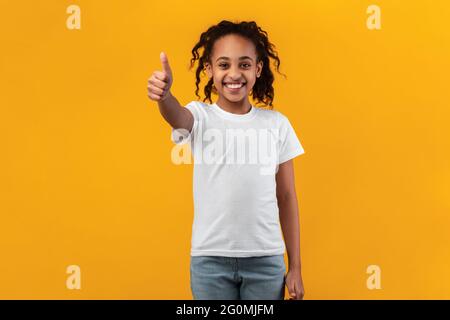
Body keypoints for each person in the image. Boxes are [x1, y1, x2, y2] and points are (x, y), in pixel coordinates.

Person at [147, 20, 305, 300]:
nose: (234, 73)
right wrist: (165, 96)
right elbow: (176, 116)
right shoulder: (200, 117)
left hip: (266, 261)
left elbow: (287, 196)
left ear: (258, 68)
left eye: (244, 64)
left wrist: (295, 267)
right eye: (223, 65)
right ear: (208, 69)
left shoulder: (277, 125)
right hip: (210, 261)